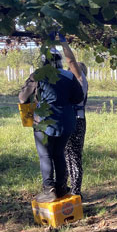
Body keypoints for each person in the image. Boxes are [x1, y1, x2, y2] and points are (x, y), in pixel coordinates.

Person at [19, 44, 84, 202]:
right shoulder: (69, 76)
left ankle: (49, 190)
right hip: (66, 122)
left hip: (44, 121)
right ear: (60, 60)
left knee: (45, 155)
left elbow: (22, 98)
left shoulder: (38, 75)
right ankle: (61, 187)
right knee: (59, 153)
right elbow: (78, 98)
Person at [59, 33, 89, 198]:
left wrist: (63, 43)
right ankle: (67, 188)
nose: (69, 70)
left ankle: (76, 192)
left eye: (72, 69)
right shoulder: (72, 83)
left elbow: (71, 61)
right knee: (66, 155)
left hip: (76, 121)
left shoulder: (80, 80)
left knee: (74, 156)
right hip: (72, 120)